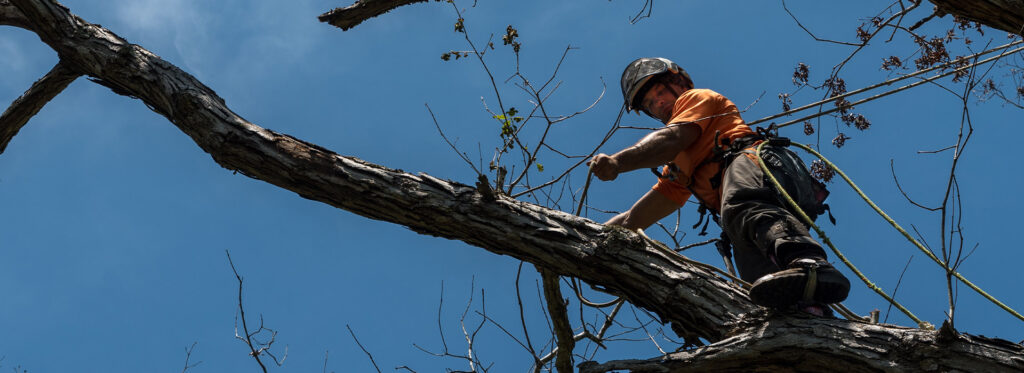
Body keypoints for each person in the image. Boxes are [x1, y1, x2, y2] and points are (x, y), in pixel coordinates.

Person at [590, 57, 850, 312]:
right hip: (756, 214)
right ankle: (805, 311)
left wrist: (617, 162)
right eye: (649, 104)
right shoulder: (680, 166)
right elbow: (633, 220)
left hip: (761, 169)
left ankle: (811, 264)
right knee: (757, 275)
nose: (658, 103)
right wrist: (588, 234)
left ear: (680, 83)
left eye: (659, 92)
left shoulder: (695, 99)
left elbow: (672, 139)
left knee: (740, 205)